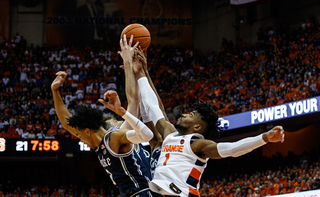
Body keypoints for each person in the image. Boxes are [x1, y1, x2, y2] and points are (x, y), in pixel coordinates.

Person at [133, 52, 285, 197]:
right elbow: (152, 106)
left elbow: (232, 149)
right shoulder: (169, 134)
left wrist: (264, 138)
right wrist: (140, 72)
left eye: (191, 115)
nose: (184, 114)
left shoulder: (198, 145)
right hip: (161, 191)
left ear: (197, 127)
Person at [51, 36, 154, 197]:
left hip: (142, 193)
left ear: (88, 130)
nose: (79, 138)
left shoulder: (115, 137)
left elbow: (134, 101)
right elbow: (66, 123)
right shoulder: (105, 142)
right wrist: (55, 91)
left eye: (79, 135)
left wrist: (127, 63)